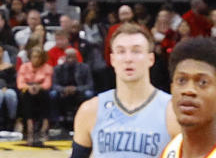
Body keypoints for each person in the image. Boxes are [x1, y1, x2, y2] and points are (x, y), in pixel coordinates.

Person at [73, 24, 179, 158]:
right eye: (121, 51)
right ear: (112, 59)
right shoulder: (90, 110)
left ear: (150, 59)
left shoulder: (173, 111)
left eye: (136, 51)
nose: (128, 59)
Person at [17, 45, 54, 144]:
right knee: (26, 95)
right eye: (33, 56)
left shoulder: (47, 68)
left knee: (45, 94)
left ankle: (44, 127)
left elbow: (47, 84)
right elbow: (20, 84)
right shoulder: (24, 67)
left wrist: (38, 87)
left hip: (41, 90)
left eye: (38, 57)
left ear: (42, 58)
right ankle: (30, 127)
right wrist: (30, 87)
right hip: (27, 90)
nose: (36, 59)